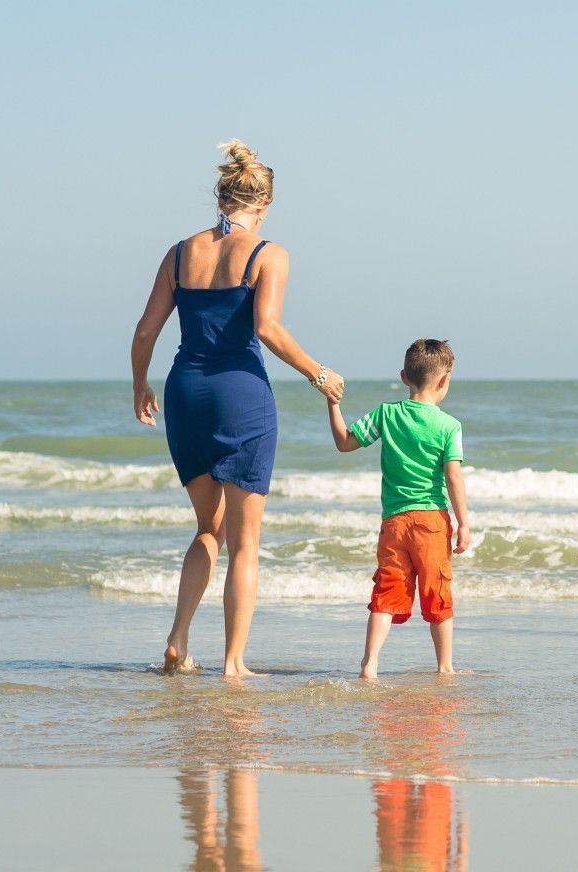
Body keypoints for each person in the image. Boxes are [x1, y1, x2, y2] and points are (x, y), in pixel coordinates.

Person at [130, 140, 344, 677]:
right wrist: (319, 374)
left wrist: (140, 386)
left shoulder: (180, 252)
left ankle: (178, 638)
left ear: (221, 196)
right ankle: (233, 663)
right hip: (240, 396)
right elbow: (267, 328)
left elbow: (145, 331)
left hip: (185, 392)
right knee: (245, 544)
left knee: (209, 528)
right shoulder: (268, 253)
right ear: (263, 204)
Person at [326, 339, 468, 679]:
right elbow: (453, 477)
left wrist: (333, 404)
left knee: (386, 591)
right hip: (432, 521)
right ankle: (445, 666)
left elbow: (345, 443)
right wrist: (464, 523)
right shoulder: (449, 426)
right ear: (444, 381)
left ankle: (370, 664)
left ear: (404, 377)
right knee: (437, 592)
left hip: (394, 523)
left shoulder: (386, 414)